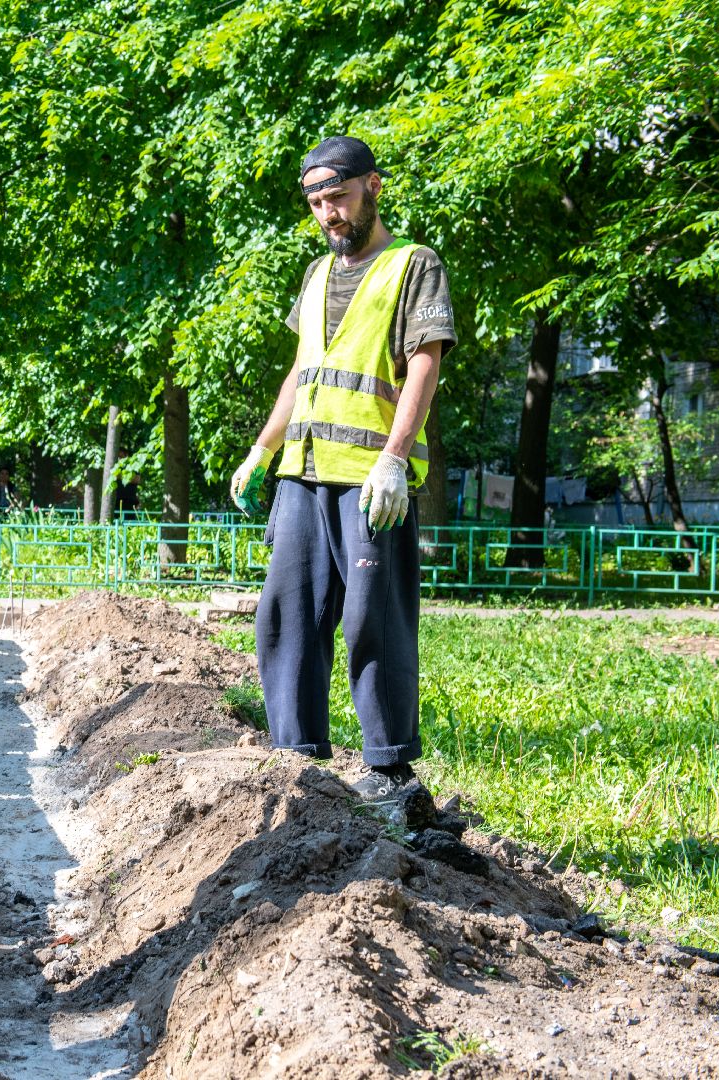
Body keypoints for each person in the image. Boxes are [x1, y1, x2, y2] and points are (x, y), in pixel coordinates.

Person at [229, 136, 455, 803]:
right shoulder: (317, 275)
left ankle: (389, 770)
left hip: (368, 483)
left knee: (371, 619)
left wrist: (394, 457)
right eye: (318, 202)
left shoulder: (412, 265)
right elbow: (304, 371)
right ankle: (294, 762)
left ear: (373, 188)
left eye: (339, 197)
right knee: (286, 613)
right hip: (303, 472)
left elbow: (425, 361)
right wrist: (262, 450)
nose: (330, 213)